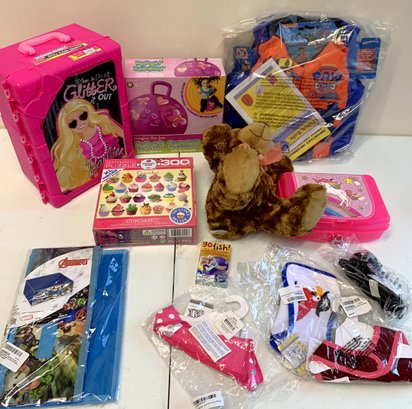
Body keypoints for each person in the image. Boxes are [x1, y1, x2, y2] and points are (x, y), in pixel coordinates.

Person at [51, 99, 124, 192]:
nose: (80, 123)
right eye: (73, 123)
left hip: (123, 165)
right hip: (101, 180)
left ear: (88, 112)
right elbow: (91, 169)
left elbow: (125, 135)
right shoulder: (76, 145)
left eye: (83, 116)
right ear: (67, 128)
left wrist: (127, 154)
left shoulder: (103, 123)